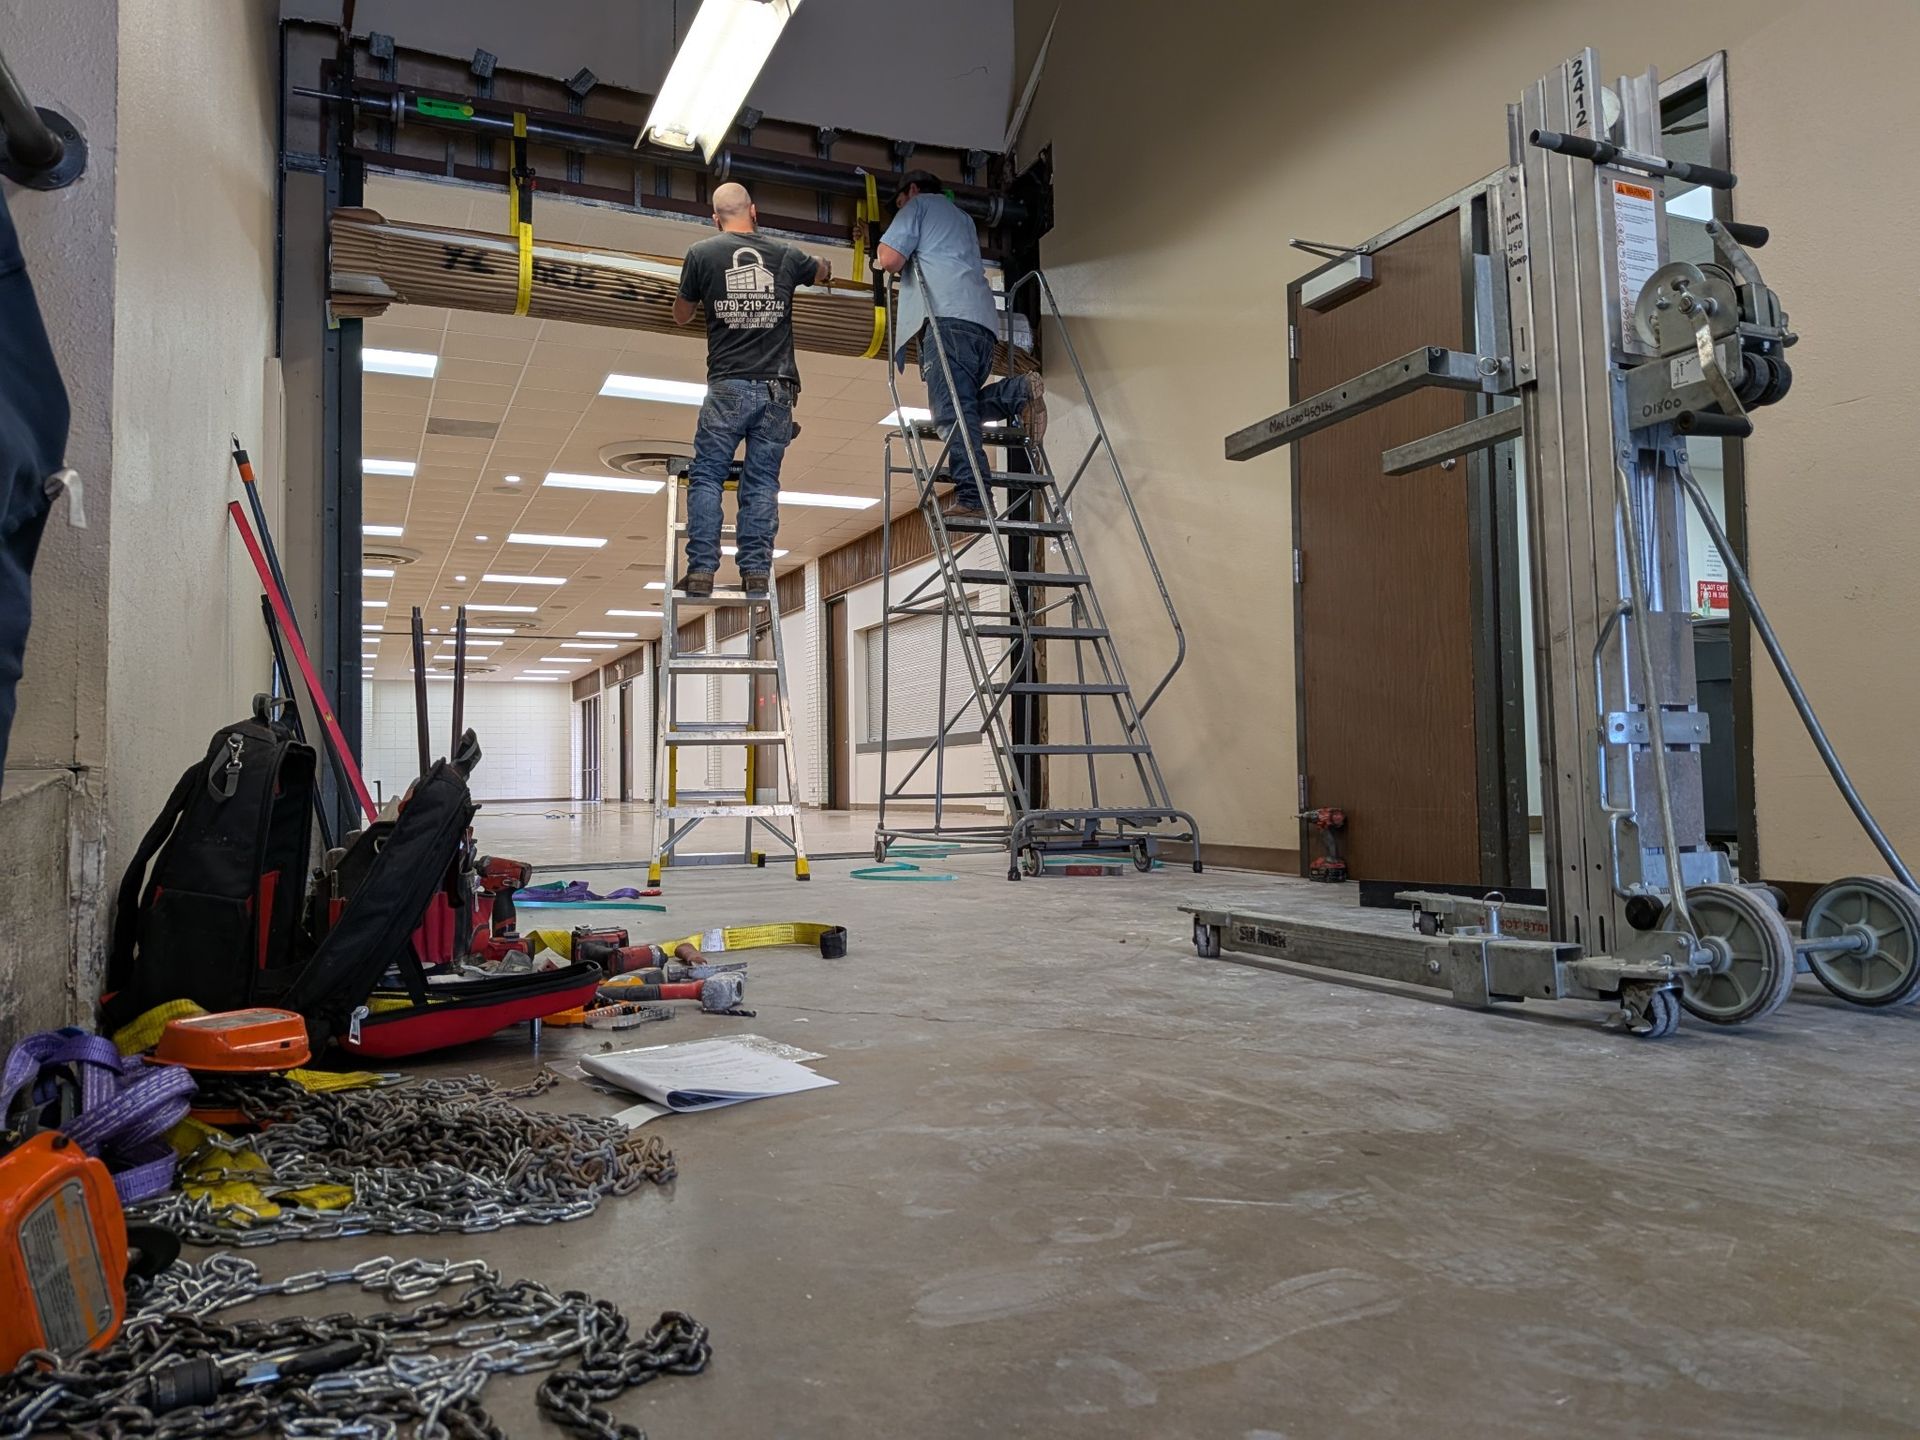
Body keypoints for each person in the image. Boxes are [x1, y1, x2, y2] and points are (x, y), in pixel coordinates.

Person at [672, 182, 830, 596]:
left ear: (714, 218)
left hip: (727, 383)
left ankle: (703, 570)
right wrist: (820, 262)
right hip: (778, 388)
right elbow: (822, 271)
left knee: (707, 476)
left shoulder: (702, 254)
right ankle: (756, 570)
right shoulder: (785, 255)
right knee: (761, 483)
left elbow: (682, 315)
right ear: (754, 211)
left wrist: (705, 294)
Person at [874, 170, 1046, 520]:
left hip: (946, 322)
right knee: (960, 411)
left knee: (952, 416)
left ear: (911, 190)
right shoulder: (962, 218)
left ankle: (975, 496)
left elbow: (890, 259)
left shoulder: (919, 204)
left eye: (899, 203)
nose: (901, 208)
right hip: (982, 327)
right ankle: (1017, 392)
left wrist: (879, 248)